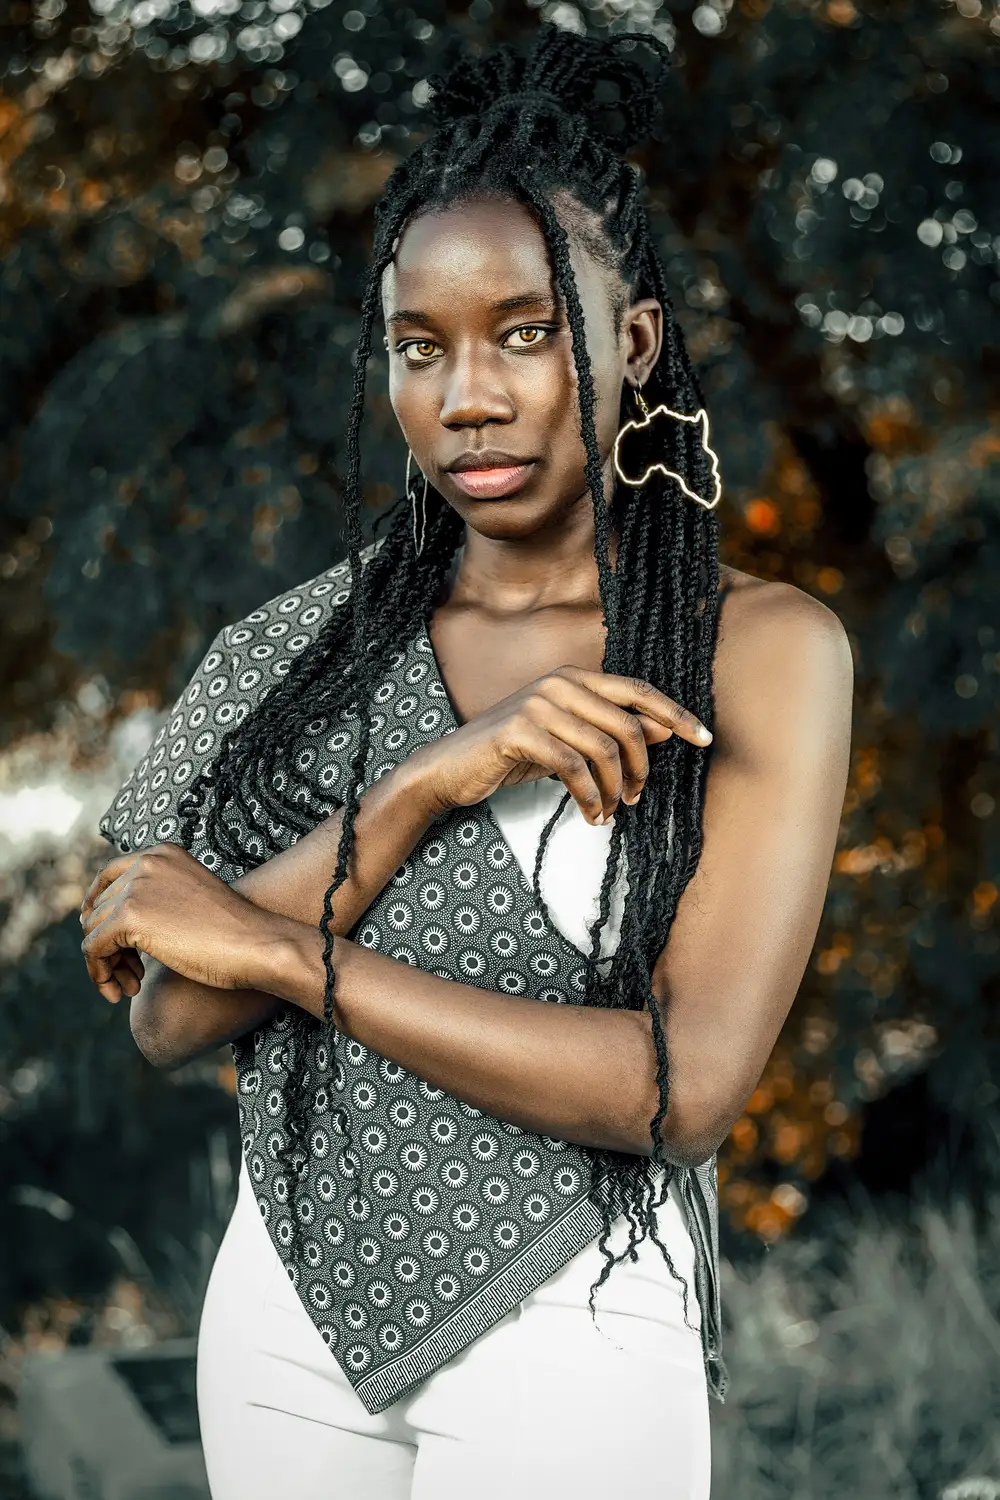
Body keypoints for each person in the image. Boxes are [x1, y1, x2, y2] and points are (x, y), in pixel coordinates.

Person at [80, 24, 853, 1500]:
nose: (468, 396)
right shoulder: (291, 655)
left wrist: (283, 951)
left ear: (629, 343)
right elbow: (171, 1017)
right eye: (419, 347)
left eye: (527, 331)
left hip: (578, 1303)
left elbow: (680, 1090)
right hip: (285, 1312)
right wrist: (438, 776)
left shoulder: (756, 649)